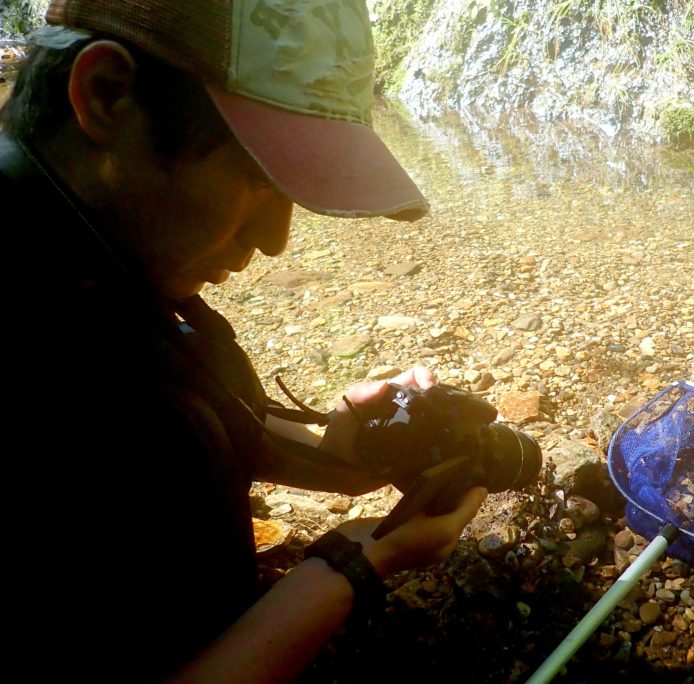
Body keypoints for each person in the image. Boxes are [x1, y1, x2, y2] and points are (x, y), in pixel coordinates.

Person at [1, 0, 486, 680]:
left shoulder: (87, 251)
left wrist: (337, 459)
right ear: (107, 95)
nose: (276, 239)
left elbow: (165, 408)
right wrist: (355, 566)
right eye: (260, 178)